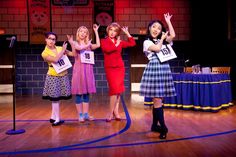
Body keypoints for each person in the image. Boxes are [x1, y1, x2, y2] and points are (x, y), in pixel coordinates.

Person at [140, 13, 176, 139]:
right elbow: (157, 48)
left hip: (164, 69)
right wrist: (162, 38)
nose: (156, 30)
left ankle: (155, 125)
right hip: (155, 69)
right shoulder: (146, 42)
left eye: (159, 28)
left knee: (158, 100)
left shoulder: (164, 40)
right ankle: (163, 128)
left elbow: (173, 36)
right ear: (149, 28)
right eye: (154, 27)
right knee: (157, 100)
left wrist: (168, 22)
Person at [100, 22, 136, 122]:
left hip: (120, 68)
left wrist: (127, 33)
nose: (112, 32)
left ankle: (116, 112)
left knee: (118, 91)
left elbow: (132, 43)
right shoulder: (104, 41)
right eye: (111, 30)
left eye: (115, 31)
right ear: (108, 30)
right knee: (113, 90)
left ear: (117, 33)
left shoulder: (119, 41)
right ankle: (110, 112)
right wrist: (116, 44)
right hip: (110, 68)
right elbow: (107, 50)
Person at [67, 24, 100, 123]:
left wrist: (96, 31)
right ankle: (80, 115)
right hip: (79, 70)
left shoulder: (89, 45)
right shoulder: (75, 43)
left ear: (87, 35)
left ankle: (86, 114)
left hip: (88, 70)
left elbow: (98, 45)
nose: (83, 33)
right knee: (78, 93)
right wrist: (86, 44)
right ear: (78, 33)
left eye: (85, 32)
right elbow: (79, 49)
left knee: (86, 93)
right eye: (81, 31)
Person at [42, 32, 72, 126]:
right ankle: (58, 119)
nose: (51, 41)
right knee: (54, 98)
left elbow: (73, 54)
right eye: (50, 38)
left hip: (63, 75)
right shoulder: (44, 53)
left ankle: (53, 116)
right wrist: (63, 50)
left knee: (57, 98)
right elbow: (55, 59)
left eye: (54, 39)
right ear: (46, 39)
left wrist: (71, 43)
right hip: (53, 76)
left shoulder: (59, 48)